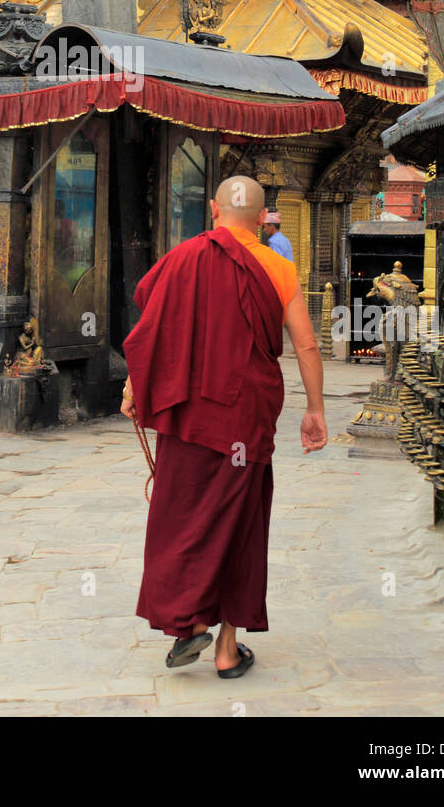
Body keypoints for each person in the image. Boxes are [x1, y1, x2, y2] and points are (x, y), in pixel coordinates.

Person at [121, 175, 327, 678]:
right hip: (245, 415)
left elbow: (153, 330)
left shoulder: (183, 257)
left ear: (213, 210)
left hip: (189, 411)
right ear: (262, 219)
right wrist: (315, 409)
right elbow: (305, 345)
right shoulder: (278, 267)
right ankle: (227, 650)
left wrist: (133, 387)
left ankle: (189, 623)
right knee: (240, 522)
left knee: (182, 511)